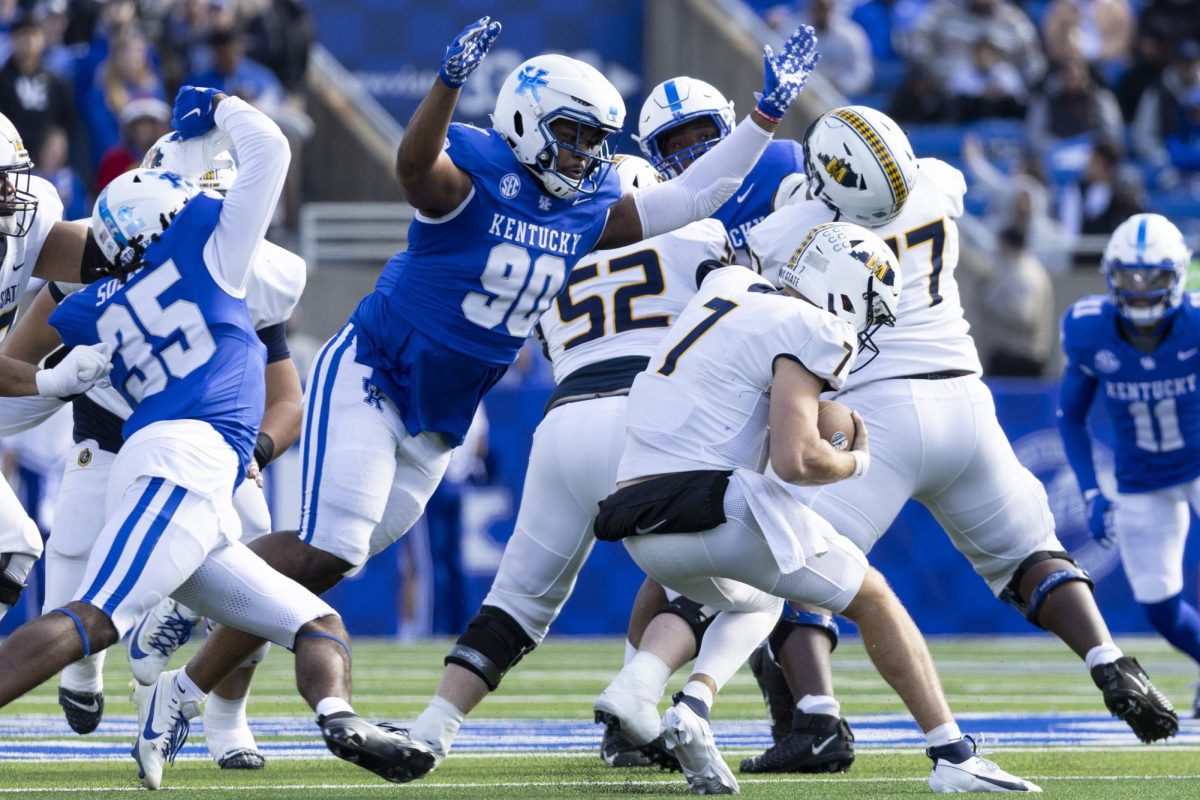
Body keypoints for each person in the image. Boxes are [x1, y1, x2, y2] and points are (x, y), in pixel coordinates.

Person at [133, 14, 824, 784]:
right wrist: (446, 83)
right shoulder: (476, 167)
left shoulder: (587, 206)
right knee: (331, 545)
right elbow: (411, 168)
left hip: (444, 415)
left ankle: (184, 690)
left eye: (597, 140)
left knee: (327, 563)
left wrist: (764, 115)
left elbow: (695, 194)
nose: (587, 155)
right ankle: (193, 594)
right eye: (573, 135)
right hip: (376, 371)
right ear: (527, 123)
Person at [605, 105, 1178, 778]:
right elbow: (950, 185)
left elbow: (750, 273)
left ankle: (813, 714)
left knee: (789, 569)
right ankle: (1108, 658)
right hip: (965, 399)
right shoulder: (935, 183)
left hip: (868, 411)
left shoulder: (797, 219)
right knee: (1032, 553)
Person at [0, 88, 404, 791]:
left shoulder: (98, 299)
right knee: (94, 617)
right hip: (178, 462)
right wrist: (217, 103)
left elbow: (42, 342)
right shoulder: (215, 255)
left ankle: (337, 715)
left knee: (317, 621)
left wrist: (48, 384)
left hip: (199, 474)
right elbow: (270, 153)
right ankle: (114, 668)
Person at [593, 221, 1038, 795]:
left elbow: (752, 390)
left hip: (636, 515)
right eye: (869, 304)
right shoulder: (815, 326)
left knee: (758, 601)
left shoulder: (728, 286)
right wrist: (857, 462)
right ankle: (953, 754)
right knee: (874, 597)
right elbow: (796, 460)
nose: (867, 321)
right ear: (845, 290)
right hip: (708, 505)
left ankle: (667, 695)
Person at [397, 154, 732, 772]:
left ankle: (432, 727)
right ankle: (644, 698)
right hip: (649, 418)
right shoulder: (701, 236)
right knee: (724, 580)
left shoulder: (557, 252)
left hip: (563, 422)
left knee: (517, 603)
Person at [0, 129, 306, 770]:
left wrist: (261, 448)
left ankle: (226, 717)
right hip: (110, 434)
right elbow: (17, 363)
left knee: (254, 549)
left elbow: (287, 400)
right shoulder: (98, 256)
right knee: (71, 541)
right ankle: (85, 671)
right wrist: (54, 380)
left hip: (207, 441)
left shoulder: (241, 267)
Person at [1059, 213, 1200, 719]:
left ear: (1178, 274)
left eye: (1153, 277)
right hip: (1141, 478)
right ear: (1110, 274)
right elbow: (1070, 417)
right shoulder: (1090, 329)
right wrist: (1093, 492)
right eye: (1129, 276)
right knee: (1159, 606)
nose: (1140, 290)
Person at [0, 109, 133, 626]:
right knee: (14, 545)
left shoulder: (27, 217)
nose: (14, 193)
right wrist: (47, 379)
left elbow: (98, 260)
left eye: (11, 177)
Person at [637, 76, 806, 259]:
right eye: (678, 145)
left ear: (728, 128)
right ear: (657, 156)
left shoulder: (781, 162)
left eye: (705, 137)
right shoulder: (660, 216)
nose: (696, 152)